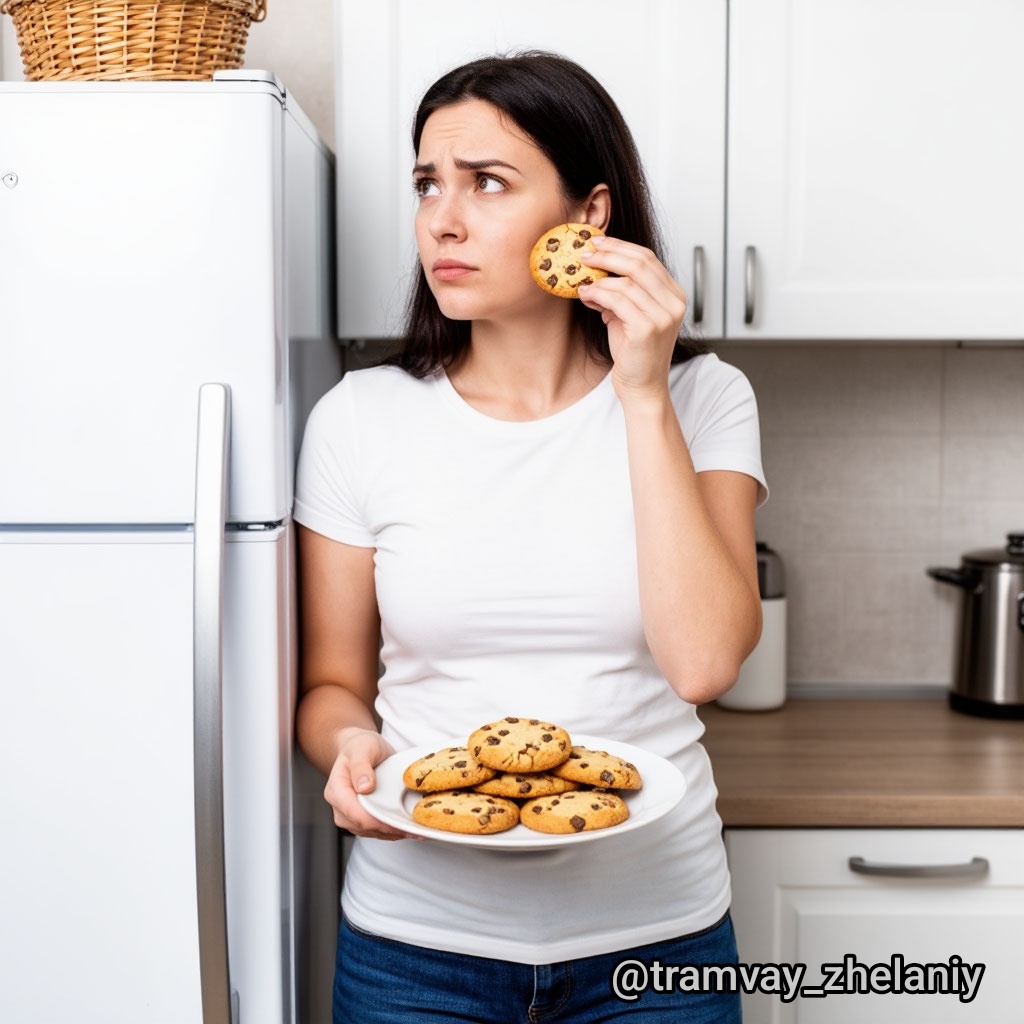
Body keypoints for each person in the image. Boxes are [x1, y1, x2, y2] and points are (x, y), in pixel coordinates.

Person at [294, 50, 766, 1023]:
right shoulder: (357, 418)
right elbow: (330, 685)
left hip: (658, 945)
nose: (442, 219)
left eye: (487, 183)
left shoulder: (703, 397)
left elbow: (705, 661)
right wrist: (348, 749)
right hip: (414, 950)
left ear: (586, 219)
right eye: (428, 183)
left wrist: (641, 392)